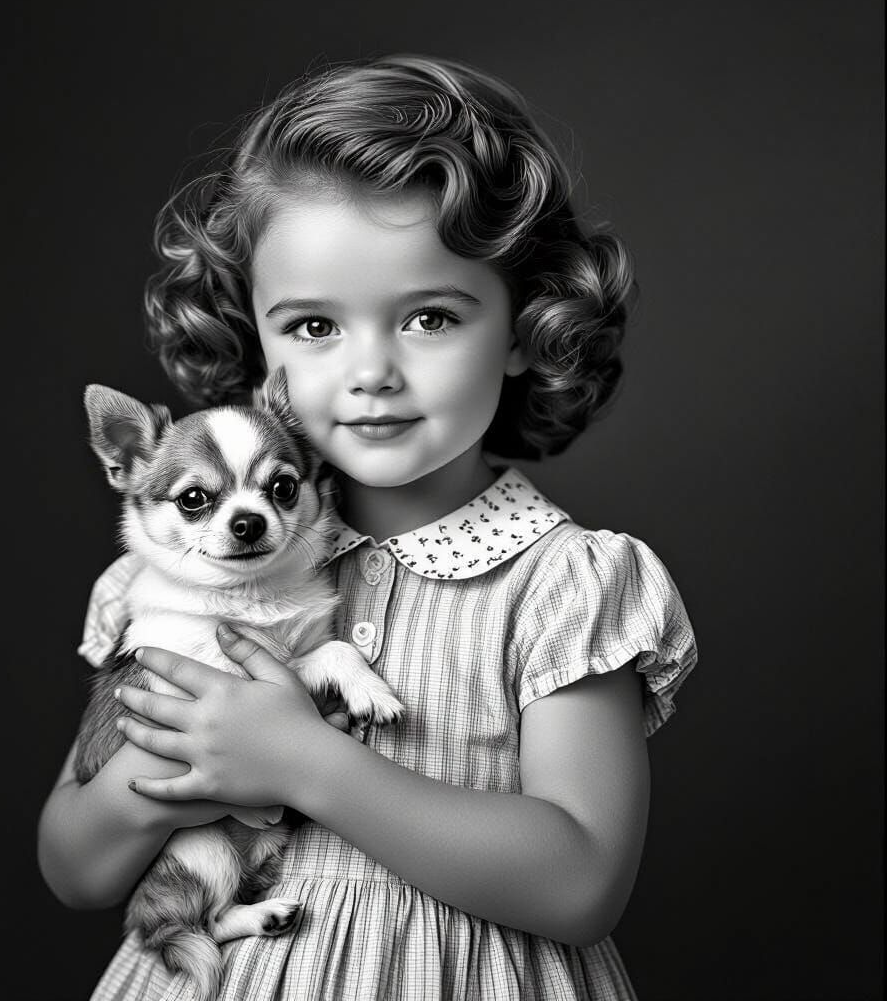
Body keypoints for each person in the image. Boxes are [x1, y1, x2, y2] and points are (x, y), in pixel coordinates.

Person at [38, 54, 698, 1000]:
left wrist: (304, 763)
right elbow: (75, 868)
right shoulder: (188, 577)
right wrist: (190, 754)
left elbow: (582, 883)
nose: (371, 372)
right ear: (255, 342)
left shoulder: (564, 584)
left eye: (429, 317)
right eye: (314, 327)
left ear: (522, 328)